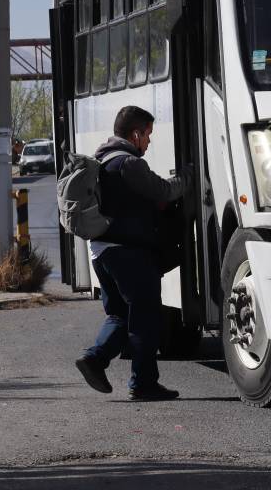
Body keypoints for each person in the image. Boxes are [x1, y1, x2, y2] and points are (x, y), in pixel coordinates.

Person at [75, 105, 184, 401]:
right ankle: (143, 383)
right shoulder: (129, 164)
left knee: (120, 315)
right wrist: (186, 181)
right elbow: (162, 191)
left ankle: (95, 359)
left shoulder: (102, 158)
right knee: (147, 318)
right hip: (129, 254)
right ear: (136, 134)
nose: (148, 141)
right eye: (148, 134)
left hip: (100, 253)